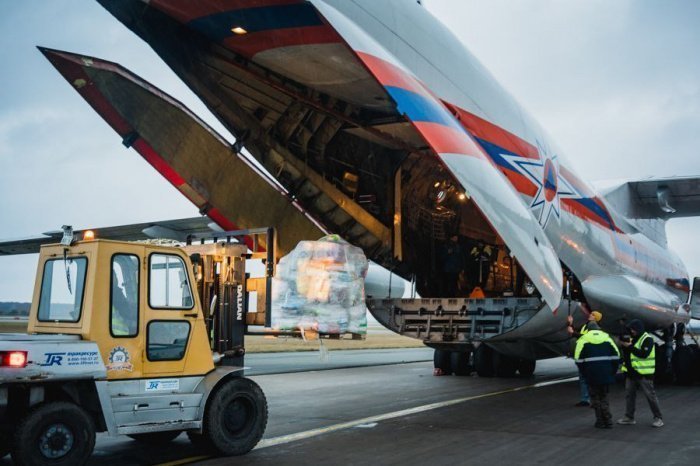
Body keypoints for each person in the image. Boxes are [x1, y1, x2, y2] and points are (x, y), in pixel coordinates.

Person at [617, 319, 664, 427]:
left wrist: (629, 346)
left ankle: (658, 418)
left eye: (633, 329)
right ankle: (629, 417)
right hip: (631, 373)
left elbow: (644, 354)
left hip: (643, 373)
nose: (631, 331)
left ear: (638, 329)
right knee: (629, 395)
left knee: (650, 396)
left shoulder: (647, 339)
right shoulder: (632, 339)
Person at [574, 321, 620, 428]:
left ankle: (600, 421)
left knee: (595, 399)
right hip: (606, 374)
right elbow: (616, 356)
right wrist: (612, 372)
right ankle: (608, 421)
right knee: (604, 397)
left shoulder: (583, 340)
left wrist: (585, 373)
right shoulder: (607, 338)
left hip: (592, 375)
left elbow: (578, 360)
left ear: (588, 330)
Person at [568, 310, 603, 407]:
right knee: (583, 378)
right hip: (584, 355)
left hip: (589, 356)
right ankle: (585, 399)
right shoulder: (586, 325)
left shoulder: (594, 328)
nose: (590, 315)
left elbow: (586, 337)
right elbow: (578, 333)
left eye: (592, 314)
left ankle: (590, 398)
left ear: (596, 318)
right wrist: (571, 324)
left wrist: (573, 333)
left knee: (587, 378)